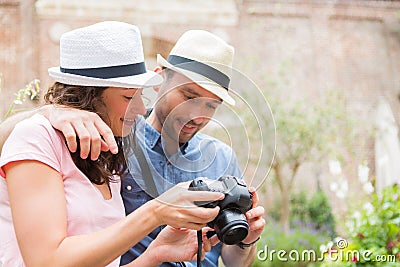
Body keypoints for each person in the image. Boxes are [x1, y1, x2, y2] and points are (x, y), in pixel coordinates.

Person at [0, 29, 266, 267]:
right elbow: (18, 139)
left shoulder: (220, 157)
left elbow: (234, 261)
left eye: (211, 105)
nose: (197, 114)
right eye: (188, 96)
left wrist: (246, 240)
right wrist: (54, 111)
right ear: (160, 79)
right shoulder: (115, 137)